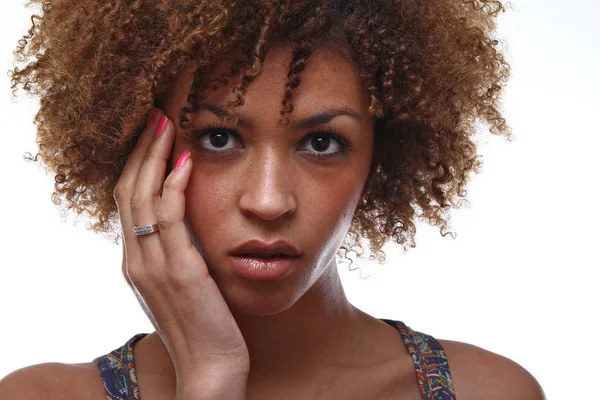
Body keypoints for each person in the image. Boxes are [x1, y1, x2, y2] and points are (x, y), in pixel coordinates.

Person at [1, 0, 546, 399]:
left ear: (380, 160)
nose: (268, 201)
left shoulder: (491, 392)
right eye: (219, 138)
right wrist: (210, 379)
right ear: (140, 152)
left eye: (321, 143)